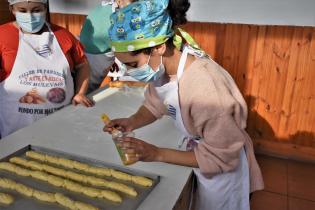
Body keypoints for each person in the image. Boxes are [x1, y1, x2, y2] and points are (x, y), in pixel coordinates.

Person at [104, 0, 264, 209]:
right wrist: (131, 122)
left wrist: (156, 153)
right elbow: (155, 104)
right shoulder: (164, 70)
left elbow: (221, 156)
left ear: (159, 47)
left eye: (132, 65)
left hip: (224, 172)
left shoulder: (205, 88)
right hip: (203, 155)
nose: (127, 72)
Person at [0, 0, 94, 138]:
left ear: (45, 8)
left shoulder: (63, 35)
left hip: (60, 125)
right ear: (12, 9)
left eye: (36, 10)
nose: (30, 16)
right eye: (22, 10)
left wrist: (80, 93)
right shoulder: (2, 36)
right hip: (15, 128)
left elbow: (82, 64)